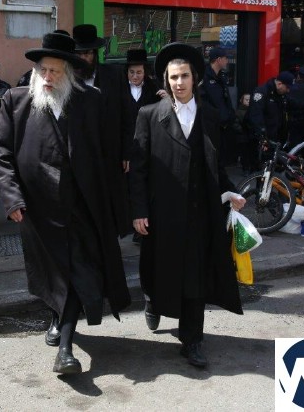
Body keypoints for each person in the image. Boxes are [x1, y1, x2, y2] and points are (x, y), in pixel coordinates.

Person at [0, 32, 131, 374]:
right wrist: (12, 198)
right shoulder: (15, 101)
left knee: (77, 271)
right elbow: (1, 154)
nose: (48, 77)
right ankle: (56, 317)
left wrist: (117, 207)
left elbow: (106, 155)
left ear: (68, 73)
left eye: (55, 71)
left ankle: (66, 350)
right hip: (37, 209)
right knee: (52, 272)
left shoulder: (91, 100)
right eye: (43, 70)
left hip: (82, 205)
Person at [129, 42, 245, 369]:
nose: (179, 83)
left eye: (184, 76)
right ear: (166, 81)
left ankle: (192, 338)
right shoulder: (149, 115)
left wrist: (231, 192)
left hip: (199, 212)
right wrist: (139, 210)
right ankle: (152, 300)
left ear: (194, 78)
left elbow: (216, 165)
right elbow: (138, 170)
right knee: (159, 269)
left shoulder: (209, 116)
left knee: (196, 274)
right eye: (173, 77)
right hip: (162, 213)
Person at [72, 23, 134, 238]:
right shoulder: (67, 80)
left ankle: (109, 242)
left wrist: (127, 151)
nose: (83, 58)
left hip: (110, 151)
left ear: (95, 53)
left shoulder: (114, 75)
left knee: (110, 201)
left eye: (88, 53)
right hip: (81, 153)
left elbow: (127, 114)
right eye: (79, 53)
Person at [123, 48, 165, 243]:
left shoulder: (154, 88)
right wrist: (124, 154)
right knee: (128, 187)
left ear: (145, 72)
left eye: (139, 72)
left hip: (148, 146)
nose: (135, 76)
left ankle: (142, 229)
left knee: (145, 185)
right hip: (127, 147)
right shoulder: (120, 89)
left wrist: (167, 98)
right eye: (131, 72)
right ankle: (129, 223)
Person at [199, 47, 237, 166]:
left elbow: (225, 99)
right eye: (226, 58)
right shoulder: (203, 77)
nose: (227, 61)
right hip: (210, 125)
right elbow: (202, 101)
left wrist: (230, 116)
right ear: (218, 60)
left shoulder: (222, 77)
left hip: (223, 126)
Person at [245, 71, 295, 145]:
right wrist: (262, 138)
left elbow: (293, 103)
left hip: (275, 139)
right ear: (279, 84)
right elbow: (256, 117)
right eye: (287, 87)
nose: (288, 90)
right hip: (263, 140)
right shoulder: (262, 92)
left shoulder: (280, 94)